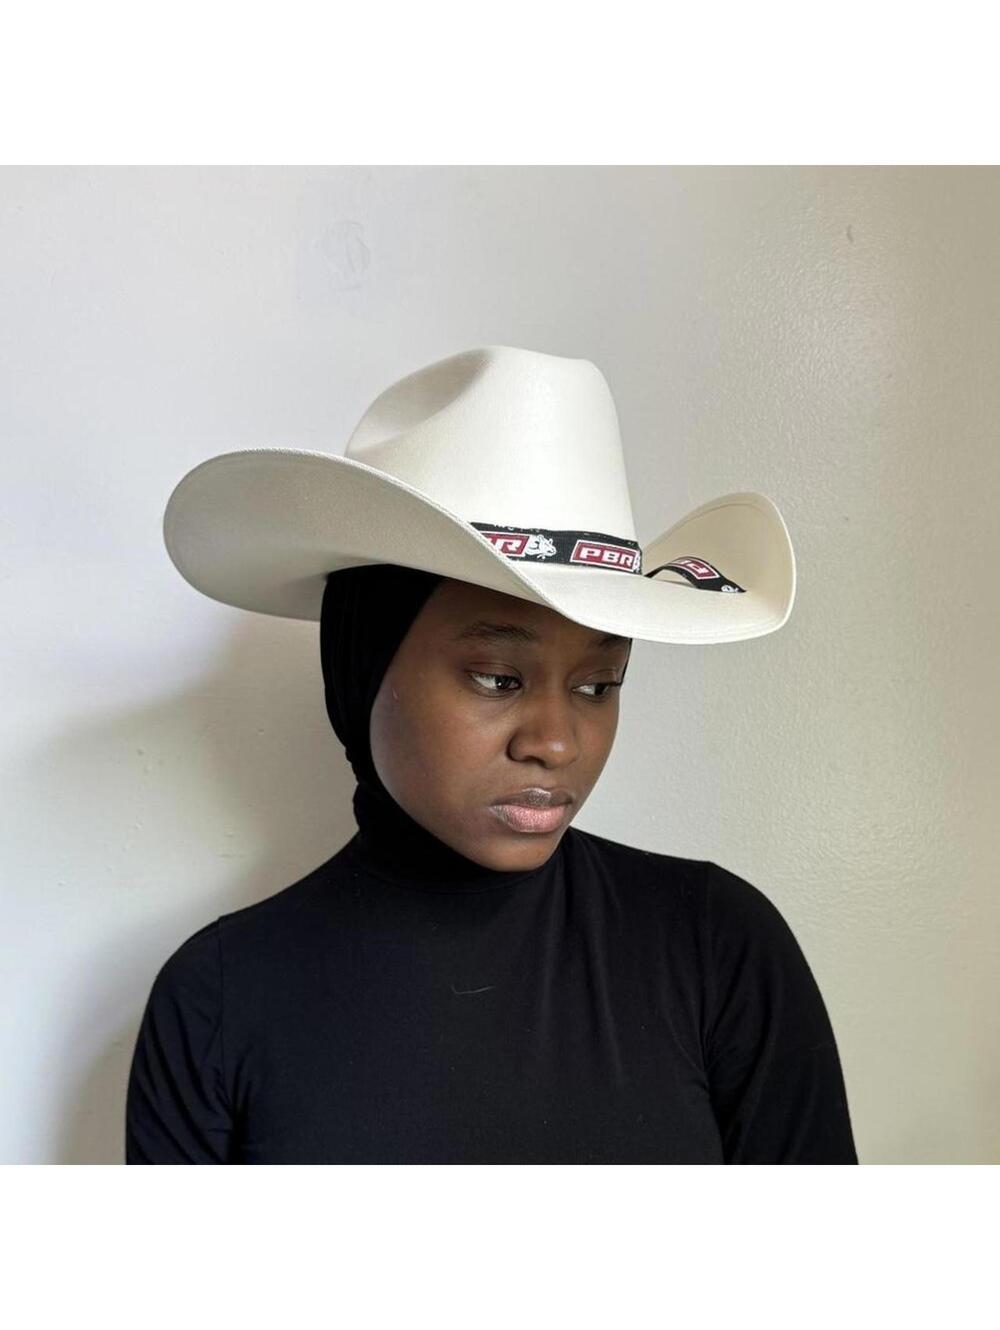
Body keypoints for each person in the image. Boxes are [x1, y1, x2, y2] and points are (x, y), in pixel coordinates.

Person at [126, 344, 858, 1163]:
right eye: (498, 677)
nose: (555, 742)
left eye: (597, 685)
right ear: (361, 667)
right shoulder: (219, 1003)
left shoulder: (717, 950)